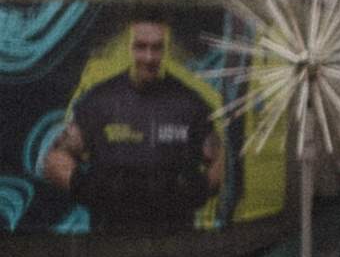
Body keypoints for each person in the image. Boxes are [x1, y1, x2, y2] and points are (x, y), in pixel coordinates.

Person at [38, 20, 224, 236]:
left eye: (156, 47)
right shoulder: (100, 101)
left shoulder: (190, 104)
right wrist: (92, 190)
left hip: (175, 237)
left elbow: (221, 161)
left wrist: (195, 193)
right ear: (129, 47)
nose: (149, 57)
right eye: (141, 46)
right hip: (110, 236)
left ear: (167, 50)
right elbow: (54, 159)